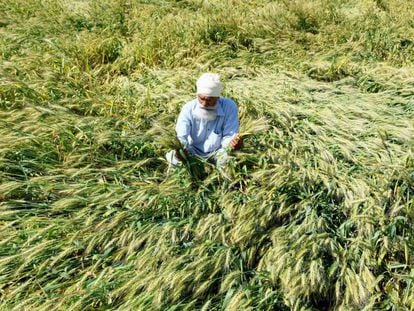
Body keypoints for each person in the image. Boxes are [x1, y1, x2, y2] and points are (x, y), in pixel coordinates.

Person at [166, 73, 243, 168]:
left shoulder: (229, 106)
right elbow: (181, 136)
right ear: (197, 95)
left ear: (218, 97)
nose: (204, 104)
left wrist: (232, 145)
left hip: (218, 152)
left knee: (230, 159)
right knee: (173, 158)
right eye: (201, 98)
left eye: (210, 100)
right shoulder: (188, 108)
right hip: (192, 150)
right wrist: (181, 151)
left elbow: (229, 135)